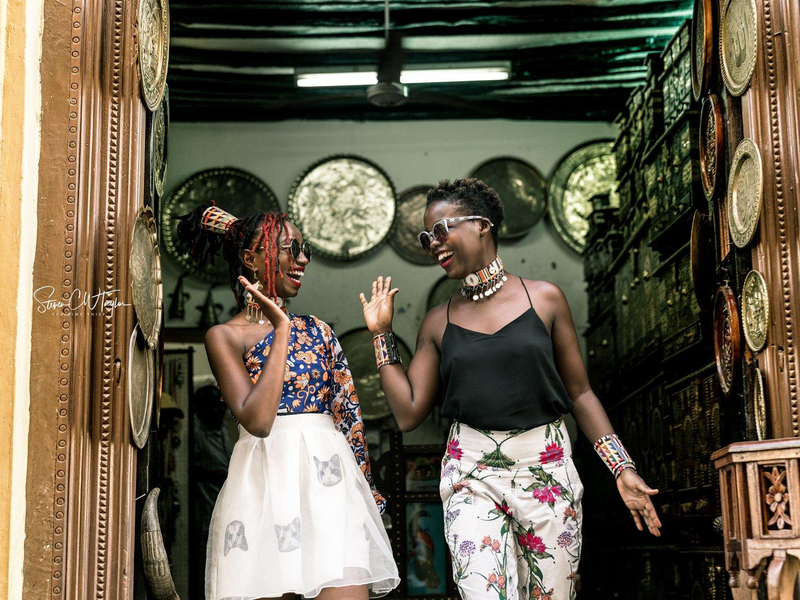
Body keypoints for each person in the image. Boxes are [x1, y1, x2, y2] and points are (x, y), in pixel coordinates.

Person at [359, 178, 661, 600]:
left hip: (547, 472)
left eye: (442, 230)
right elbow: (409, 413)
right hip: (472, 475)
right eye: (427, 237)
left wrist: (621, 468)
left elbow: (580, 394)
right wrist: (381, 335)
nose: (433, 244)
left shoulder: (546, 299)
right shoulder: (437, 321)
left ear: (482, 225)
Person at [176, 202, 399, 600]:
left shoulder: (319, 331)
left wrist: (365, 493)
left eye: (303, 250)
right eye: (288, 249)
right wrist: (280, 326)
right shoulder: (225, 336)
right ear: (251, 258)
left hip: (330, 488)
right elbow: (258, 421)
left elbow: (348, 415)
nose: (301, 260)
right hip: (264, 488)